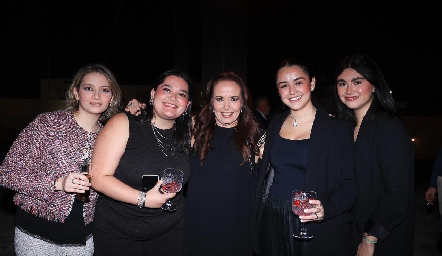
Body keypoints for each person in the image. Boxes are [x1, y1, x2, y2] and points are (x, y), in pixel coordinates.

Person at [0, 63, 122, 255]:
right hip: (36, 230)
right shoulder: (47, 124)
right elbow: (7, 174)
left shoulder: (112, 136)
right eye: (88, 88)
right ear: (76, 92)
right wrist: (57, 183)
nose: (96, 95)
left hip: (83, 236)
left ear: (112, 97)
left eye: (104, 90)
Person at [253, 58, 357, 256]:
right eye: (284, 85)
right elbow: (261, 160)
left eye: (298, 82)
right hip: (272, 216)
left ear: (313, 83)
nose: (292, 91)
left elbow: (350, 184)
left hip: (310, 222)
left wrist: (326, 207)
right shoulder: (275, 123)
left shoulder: (338, 129)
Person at [90, 69, 193, 256]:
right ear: (153, 94)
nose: (173, 98)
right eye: (167, 90)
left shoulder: (190, 134)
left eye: (181, 94)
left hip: (170, 232)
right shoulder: (124, 123)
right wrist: (144, 199)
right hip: (118, 232)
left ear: (187, 104)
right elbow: (98, 177)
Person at [334, 54, 414, 256]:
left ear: (375, 85)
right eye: (342, 83)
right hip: (352, 229)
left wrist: (369, 239)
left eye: (357, 82)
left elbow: (396, 193)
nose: (349, 90)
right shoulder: (347, 128)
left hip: (380, 237)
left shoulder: (388, 127)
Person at [182, 71, 263, 256]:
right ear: (211, 102)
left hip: (238, 232)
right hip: (199, 229)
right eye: (219, 98)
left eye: (234, 98)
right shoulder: (195, 129)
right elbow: (159, 130)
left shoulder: (256, 137)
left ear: (243, 102)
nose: (227, 107)